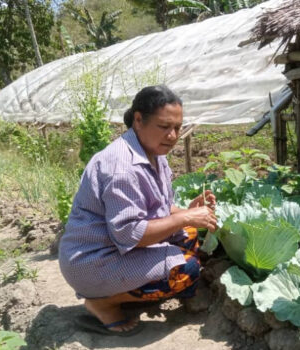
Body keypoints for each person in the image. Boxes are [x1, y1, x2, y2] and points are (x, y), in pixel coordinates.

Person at [58, 85, 217, 336]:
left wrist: (186, 212)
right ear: (139, 120)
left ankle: (131, 292)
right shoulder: (121, 167)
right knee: (186, 271)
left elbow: (158, 209)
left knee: (188, 233)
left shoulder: (153, 153)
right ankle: (103, 303)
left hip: (118, 249)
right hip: (93, 260)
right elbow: (130, 235)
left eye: (177, 128)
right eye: (164, 127)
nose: (173, 136)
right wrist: (185, 217)